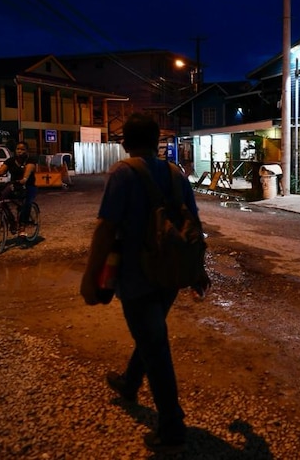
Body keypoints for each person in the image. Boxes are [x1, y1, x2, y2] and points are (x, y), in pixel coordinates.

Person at [80, 113, 207, 454]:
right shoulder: (175, 173)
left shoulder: (123, 173)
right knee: (151, 334)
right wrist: (198, 270)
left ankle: (172, 428)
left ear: (125, 142)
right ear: (157, 142)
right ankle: (130, 382)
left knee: (155, 345)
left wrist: (90, 277)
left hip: (136, 276)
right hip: (169, 272)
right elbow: (193, 223)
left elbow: (106, 228)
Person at [0, 141, 37, 237]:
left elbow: (29, 170)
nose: (19, 151)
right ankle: (12, 222)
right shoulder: (10, 161)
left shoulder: (30, 160)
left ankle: (22, 226)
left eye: (22, 149)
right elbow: (0, 171)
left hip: (28, 185)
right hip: (14, 185)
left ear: (26, 151)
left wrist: (24, 179)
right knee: (1, 199)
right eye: (18, 149)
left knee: (26, 203)